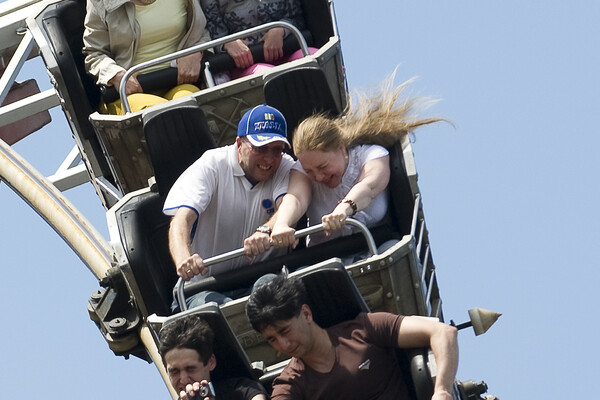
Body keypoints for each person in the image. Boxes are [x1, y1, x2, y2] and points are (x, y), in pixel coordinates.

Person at [263, 74, 445, 253]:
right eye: (309, 170)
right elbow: (295, 199)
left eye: (323, 167)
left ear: (341, 148)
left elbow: (368, 186)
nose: (317, 176)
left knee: (391, 250)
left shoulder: (372, 155)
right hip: (326, 257)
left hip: (374, 248)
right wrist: (282, 224)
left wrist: (344, 209)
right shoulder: (301, 172)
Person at [163, 104, 295, 310]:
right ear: (239, 144)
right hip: (204, 288)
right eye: (261, 148)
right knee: (219, 311)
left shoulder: (285, 165)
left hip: (263, 278)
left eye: (276, 150)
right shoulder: (212, 164)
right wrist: (184, 260)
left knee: (273, 298)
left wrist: (266, 230)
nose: (269, 159)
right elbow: (181, 220)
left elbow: (288, 205)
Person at [246, 274, 459, 400]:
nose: (283, 344)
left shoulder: (364, 329)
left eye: (285, 331)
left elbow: (443, 332)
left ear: (306, 314)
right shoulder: (289, 384)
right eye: (272, 339)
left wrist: (442, 391)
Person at [83, 0, 211, 114]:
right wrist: (116, 75)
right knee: (156, 113)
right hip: (130, 94)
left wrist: (196, 51)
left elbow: (201, 32)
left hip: (178, 81)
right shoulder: (99, 2)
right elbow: (94, 54)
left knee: (189, 103)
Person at [199, 0, 318, 81]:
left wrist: (281, 29)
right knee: (271, 77)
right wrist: (227, 43)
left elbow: (298, 18)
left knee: (314, 59)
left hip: (287, 49)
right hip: (245, 64)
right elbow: (213, 35)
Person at [159, 314, 268, 400]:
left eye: (190, 369)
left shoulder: (245, 391)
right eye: (174, 372)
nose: (183, 379)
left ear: (211, 362)